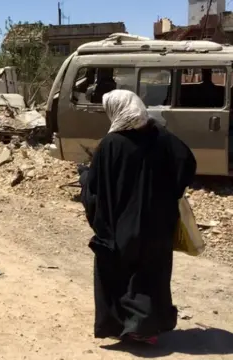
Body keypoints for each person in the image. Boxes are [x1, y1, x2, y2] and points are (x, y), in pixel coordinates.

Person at [81, 90, 196, 345]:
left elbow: (95, 189)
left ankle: (122, 325)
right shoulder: (161, 137)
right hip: (158, 225)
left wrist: (84, 180)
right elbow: (186, 163)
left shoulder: (110, 145)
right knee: (152, 273)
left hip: (121, 226)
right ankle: (147, 329)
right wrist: (170, 193)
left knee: (117, 270)